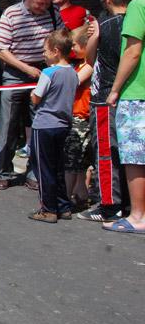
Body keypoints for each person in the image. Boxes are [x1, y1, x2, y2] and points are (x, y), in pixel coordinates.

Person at [0, 0, 65, 190]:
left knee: (38, 123)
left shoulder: (53, 13)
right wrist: (25, 68)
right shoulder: (12, 14)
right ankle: (3, 171)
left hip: (43, 71)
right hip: (16, 72)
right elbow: (0, 49)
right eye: (39, 3)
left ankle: (34, 172)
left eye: (46, 3)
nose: (43, 7)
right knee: (8, 123)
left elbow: (61, 39)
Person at [79, 0, 135, 221]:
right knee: (130, 152)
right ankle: (131, 202)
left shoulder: (104, 25)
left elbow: (89, 59)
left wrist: (94, 34)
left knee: (105, 150)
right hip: (131, 94)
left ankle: (109, 205)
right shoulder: (136, 22)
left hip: (104, 95)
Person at [103, 0, 145, 234]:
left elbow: (132, 52)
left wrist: (116, 89)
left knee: (134, 157)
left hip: (136, 91)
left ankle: (138, 216)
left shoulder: (138, 6)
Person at [27, 29, 79, 223]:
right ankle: (63, 206)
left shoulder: (48, 73)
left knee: (43, 168)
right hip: (63, 124)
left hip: (44, 124)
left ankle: (48, 209)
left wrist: (32, 94)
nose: (44, 54)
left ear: (56, 51)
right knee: (57, 167)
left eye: (45, 51)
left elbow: (36, 98)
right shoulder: (73, 73)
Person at [63, 26, 94, 209]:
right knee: (80, 162)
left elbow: (72, 82)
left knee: (72, 160)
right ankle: (81, 194)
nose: (72, 48)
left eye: (74, 44)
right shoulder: (82, 63)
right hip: (77, 115)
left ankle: (65, 197)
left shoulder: (89, 65)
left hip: (80, 118)